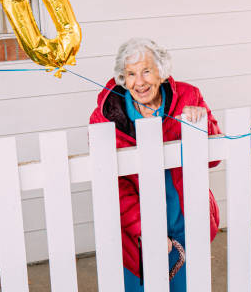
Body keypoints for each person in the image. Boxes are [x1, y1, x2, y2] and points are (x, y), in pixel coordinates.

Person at [89, 38, 221, 291]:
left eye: (147, 71)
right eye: (131, 74)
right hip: (136, 232)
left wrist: (201, 124)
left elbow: (213, 158)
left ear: (161, 72)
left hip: (185, 221)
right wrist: (147, 229)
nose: (139, 82)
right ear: (122, 78)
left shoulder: (188, 96)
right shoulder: (105, 115)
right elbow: (112, 186)